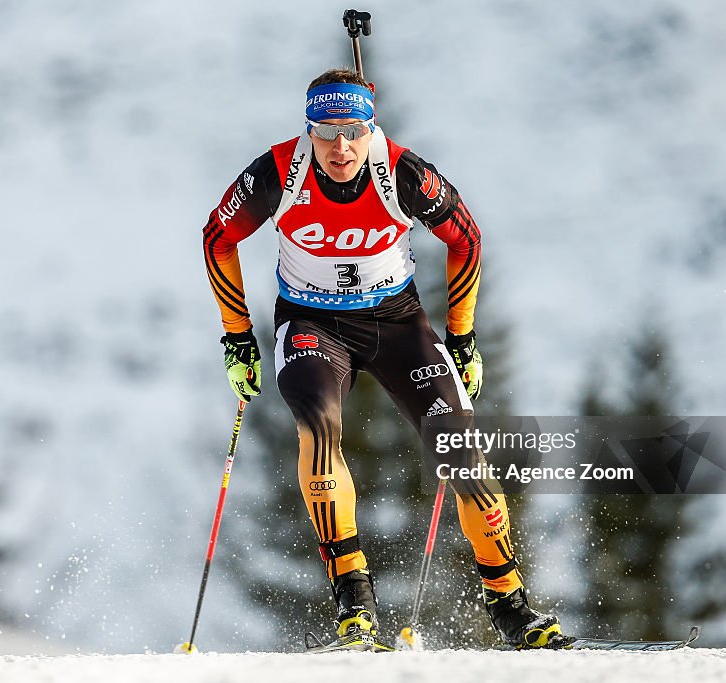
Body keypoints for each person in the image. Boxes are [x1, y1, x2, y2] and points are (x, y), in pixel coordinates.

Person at [202, 68, 568, 650]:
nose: (340, 146)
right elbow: (217, 237)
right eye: (326, 130)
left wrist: (463, 336)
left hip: (396, 322)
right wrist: (237, 337)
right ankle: (357, 609)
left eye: (353, 129)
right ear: (309, 130)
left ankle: (512, 609)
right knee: (318, 436)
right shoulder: (278, 173)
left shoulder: (401, 171)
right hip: (312, 324)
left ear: (370, 127)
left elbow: (465, 237)